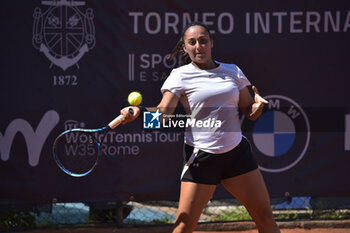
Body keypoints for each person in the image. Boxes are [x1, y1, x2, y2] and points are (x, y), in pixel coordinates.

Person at [120, 22, 280, 233]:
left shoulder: (233, 71)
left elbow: (250, 112)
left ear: (211, 43)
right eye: (192, 42)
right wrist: (139, 112)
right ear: (185, 48)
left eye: (203, 41)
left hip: (237, 155)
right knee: (184, 226)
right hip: (201, 158)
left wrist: (257, 107)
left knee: (265, 217)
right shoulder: (180, 75)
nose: (198, 46)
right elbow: (163, 116)